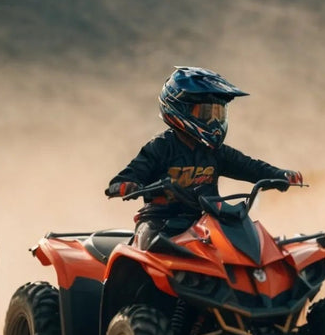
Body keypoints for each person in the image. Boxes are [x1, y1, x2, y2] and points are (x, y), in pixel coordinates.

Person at [107, 67, 301, 249]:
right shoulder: (161, 147)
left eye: (219, 113)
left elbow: (250, 166)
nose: (214, 121)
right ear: (179, 108)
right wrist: (125, 185)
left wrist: (280, 175)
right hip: (160, 221)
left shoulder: (216, 152)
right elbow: (129, 175)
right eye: (206, 112)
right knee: (151, 247)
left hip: (206, 222)